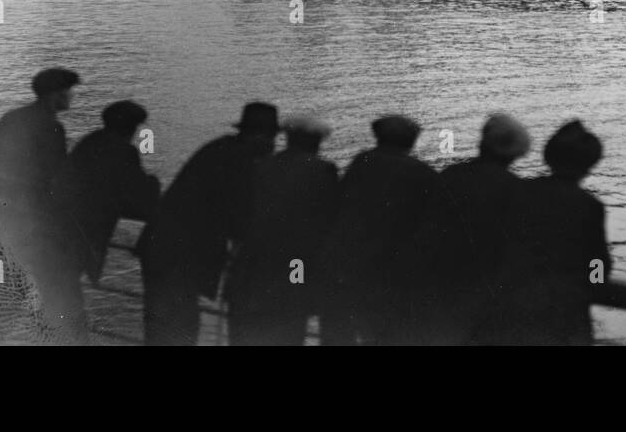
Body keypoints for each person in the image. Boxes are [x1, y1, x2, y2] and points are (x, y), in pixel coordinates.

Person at [138, 101, 279, 346]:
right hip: (178, 258)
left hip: (163, 249)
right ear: (260, 136)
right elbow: (241, 217)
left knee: (166, 327)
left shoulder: (222, 149)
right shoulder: (242, 161)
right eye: (271, 138)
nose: (274, 145)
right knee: (179, 328)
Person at [407, 113, 532, 344]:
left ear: (483, 143)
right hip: (484, 300)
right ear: (515, 153)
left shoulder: (449, 176)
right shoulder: (517, 190)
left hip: (437, 292)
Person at [490, 119, 611, 346]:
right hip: (563, 312)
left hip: (510, 308)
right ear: (589, 164)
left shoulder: (517, 191)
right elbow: (598, 260)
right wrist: (596, 284)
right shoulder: (588, 205)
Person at [322, 114, 440, 345]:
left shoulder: (361, 161)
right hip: (391, 270)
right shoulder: (422, 172)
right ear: (410, 141)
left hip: (348, 264)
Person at [227, 114, 339, 345]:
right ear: (316, 142)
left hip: (254, 264)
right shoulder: (323, 170)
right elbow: (329, 221)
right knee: (290, 317)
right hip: (294, 264)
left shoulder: (262, 165)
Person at [0, 67, 87, 342]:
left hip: (9, 218)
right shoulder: (51, 127)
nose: (71, 97)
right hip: (39, 225)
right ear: (55, 94)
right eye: (68, 92)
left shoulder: (11, 118)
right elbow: (54, 178)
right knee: (60, 296)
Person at [70, 100, 160, 285]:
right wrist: (154, 183)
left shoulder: (90, 141)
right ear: (132, 128)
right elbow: (142, 192)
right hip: (88, 233)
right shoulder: (125, 151)